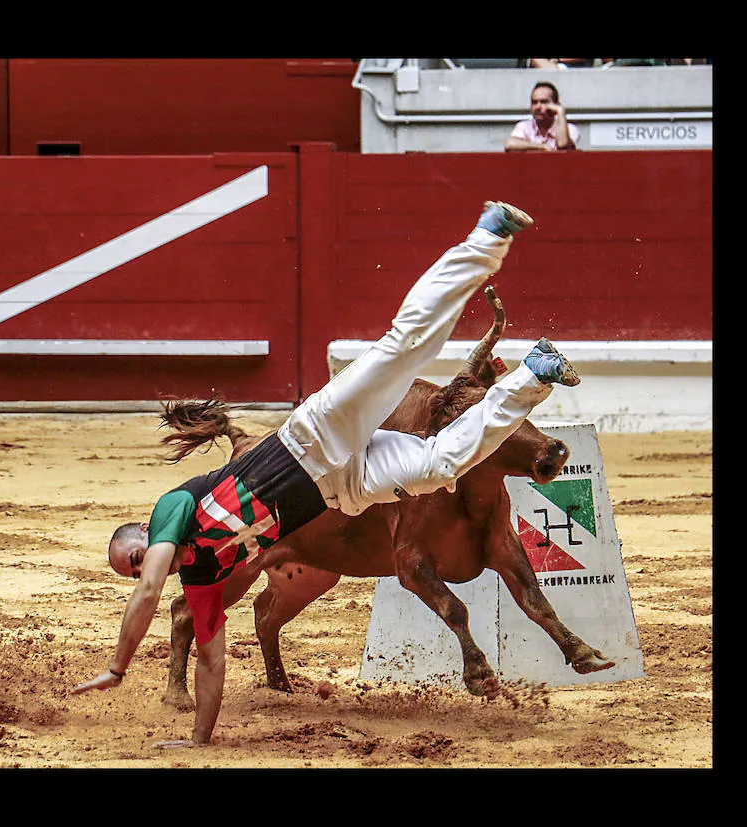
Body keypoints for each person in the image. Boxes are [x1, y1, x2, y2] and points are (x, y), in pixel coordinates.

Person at [71, 200, 582, 746]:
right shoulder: (201, 578)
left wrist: (119, 667)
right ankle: (534, 373)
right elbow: (212, 663)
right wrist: (198, 740)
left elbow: (149, 590)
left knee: (406, 348)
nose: (142, 570)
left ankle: (486, 238)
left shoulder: (173, 510)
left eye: (133, 560)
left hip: (312, 438)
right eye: (130, 572)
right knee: (440, 465)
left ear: (144, 538)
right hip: (339, 490)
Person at [505, 81, 580, 152]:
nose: (538, 107)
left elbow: (562, 144)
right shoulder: (524, 126)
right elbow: (510, 145)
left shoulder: (570, 129)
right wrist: (542, 146)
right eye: (534, 102)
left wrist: (560, 111)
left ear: (556, 105)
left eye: (544, 102)